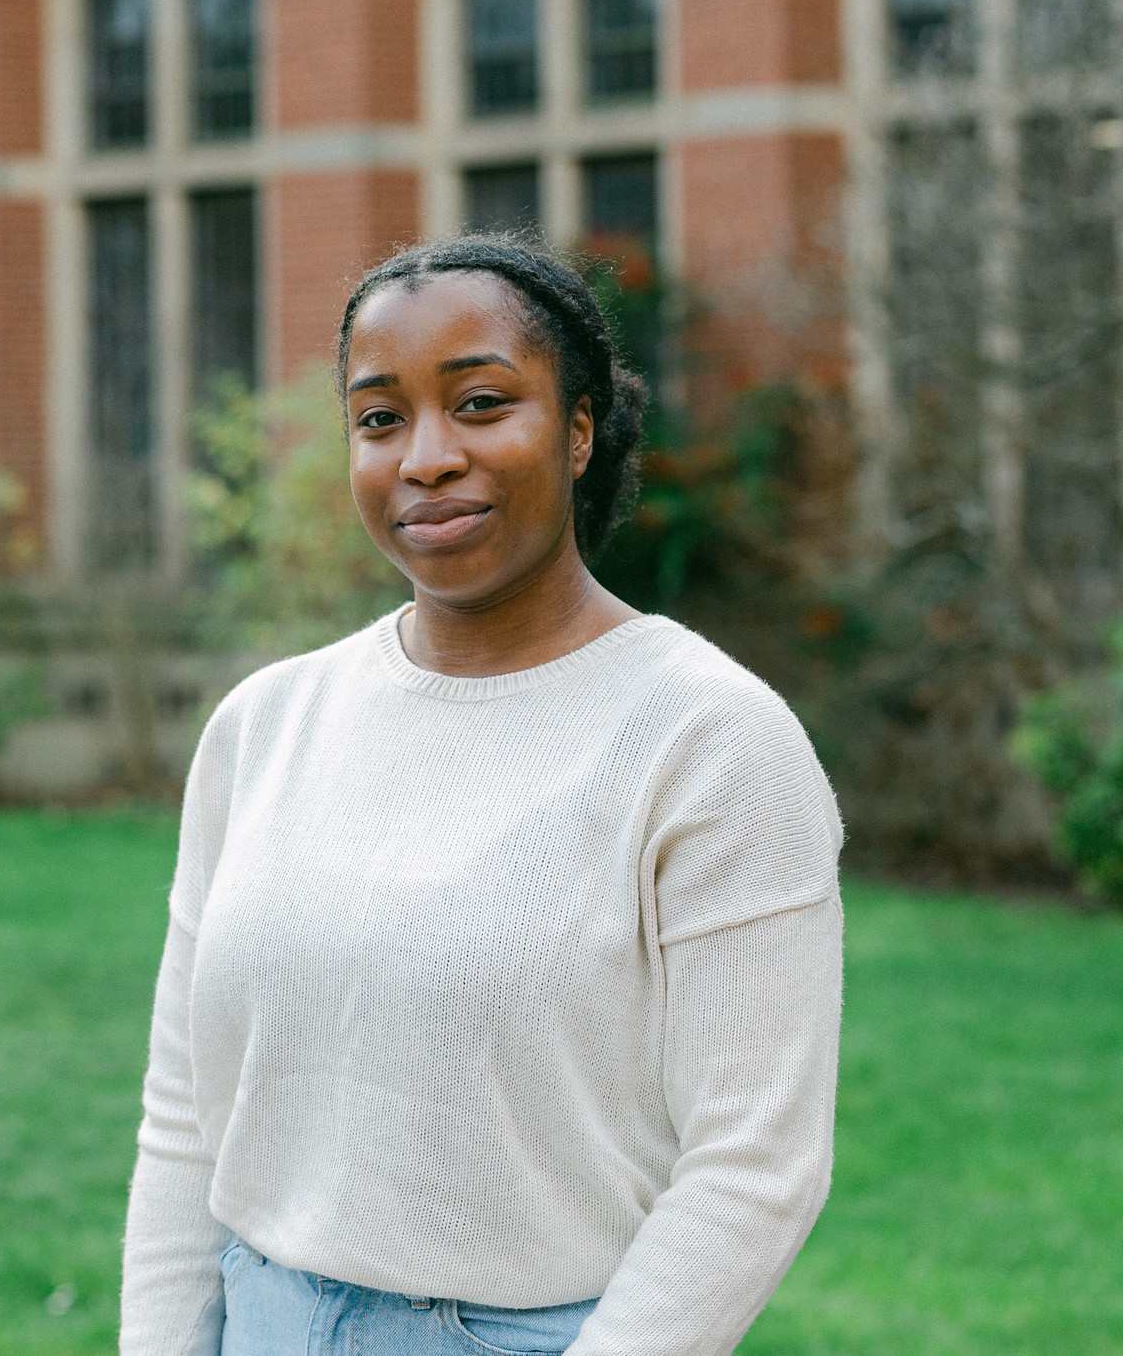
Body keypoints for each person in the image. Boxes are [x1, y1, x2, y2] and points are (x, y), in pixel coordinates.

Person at [120, 236, 844, 1356]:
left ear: (580, 430)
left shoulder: (709, 741)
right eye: (379, 419)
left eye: (482, 403)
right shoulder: (262, 727)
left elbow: (754, 1169)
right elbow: (184, 1117)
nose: (426, 458)